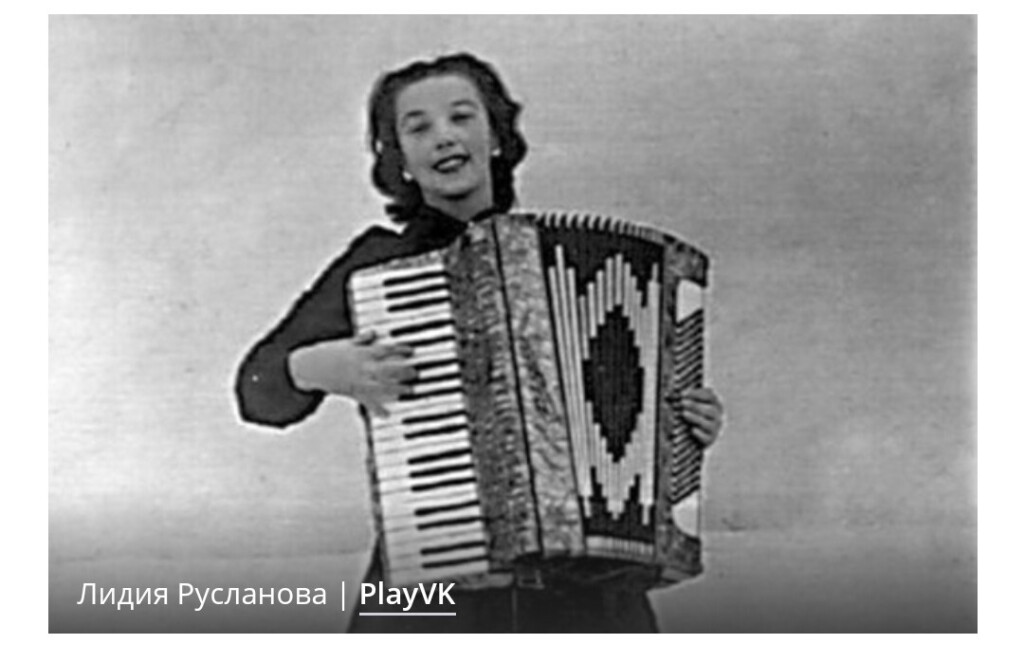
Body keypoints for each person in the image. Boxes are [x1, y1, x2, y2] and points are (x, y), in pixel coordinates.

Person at [235, 52, 724, 632]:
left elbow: (629, 415)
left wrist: (684, 425)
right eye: (418, 127)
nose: (443, 136)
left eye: (461, 117)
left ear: (495, 138)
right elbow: (256, 391)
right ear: (399, 161)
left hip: (586, 589)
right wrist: (317, 366)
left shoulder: (560, 257)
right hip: (431, 581)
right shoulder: (378, 264)